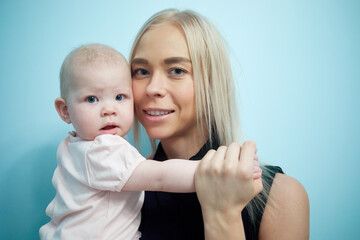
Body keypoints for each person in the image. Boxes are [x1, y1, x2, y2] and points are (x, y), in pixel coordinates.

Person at [39, 43, 262, 239]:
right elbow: (160, 176)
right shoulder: (102, 149)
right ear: (65, 110)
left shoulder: (73, 147)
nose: (109, 110)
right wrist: (220, 170)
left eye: (119, 97)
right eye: (91, 99)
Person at [130, 9, 310, 239]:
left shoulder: (281, 196)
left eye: (177, 70)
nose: (152, 88)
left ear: (213, 83)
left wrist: (222, 214)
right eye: (141, 71)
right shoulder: (120, 192)